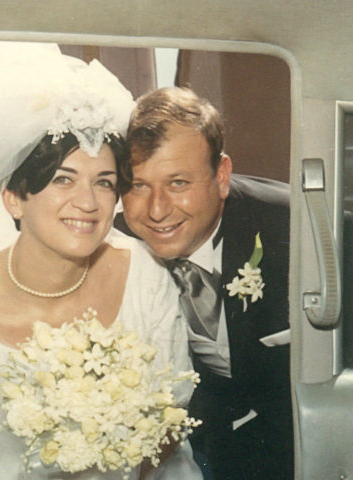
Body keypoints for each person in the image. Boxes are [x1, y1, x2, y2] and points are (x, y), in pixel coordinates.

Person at [0, 45, 203, 479]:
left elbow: (173, 409)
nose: (87, 202)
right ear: (13, 198)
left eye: (103, 183)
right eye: (63, 179)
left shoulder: (143, 275)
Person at [118, 86, 293, 480]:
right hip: (200, 445)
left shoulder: (294, 227)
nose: (157, 210)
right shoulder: (110, 245)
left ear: (222, 176)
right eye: (138, 185)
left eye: (178, 183)